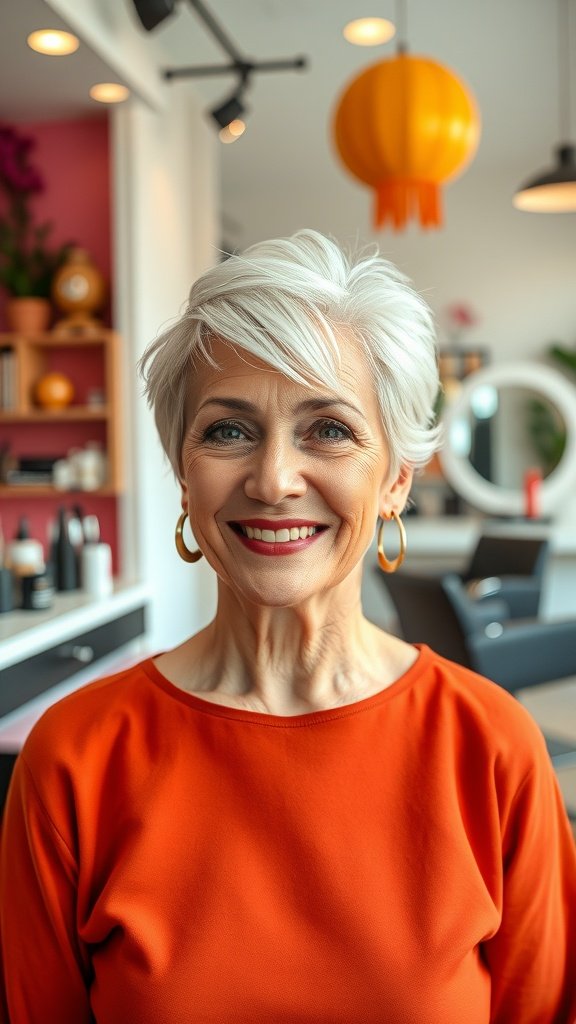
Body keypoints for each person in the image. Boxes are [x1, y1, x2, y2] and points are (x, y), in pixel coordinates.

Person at [1, 230, 575, 1023]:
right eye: (228, 430)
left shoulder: (492, 750)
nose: (273, 479)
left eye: (329, 430)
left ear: (396, 480)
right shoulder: (75, 760)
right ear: (183, 470)